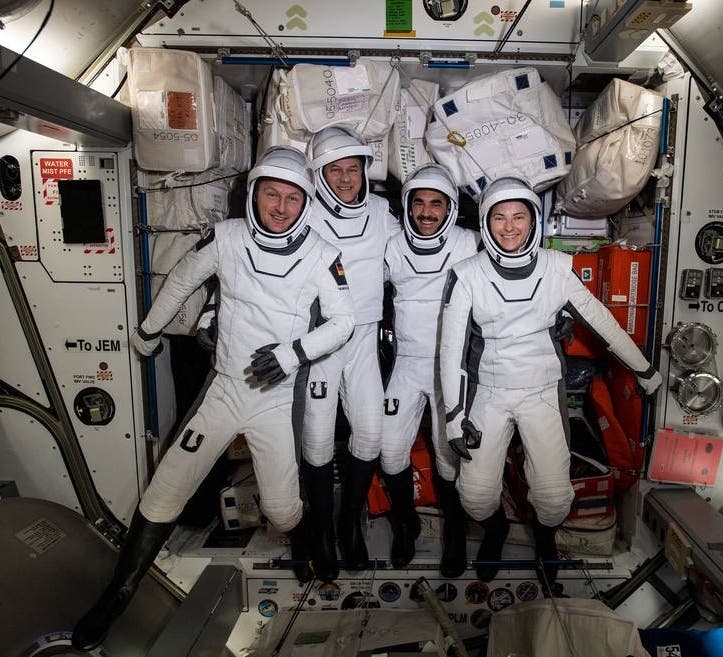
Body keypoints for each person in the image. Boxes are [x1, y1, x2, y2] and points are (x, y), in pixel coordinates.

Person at [72, 146, 354, 650]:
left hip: (275, 397)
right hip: (223, 389)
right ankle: (119, 593)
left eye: (292, 198)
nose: (281, 207)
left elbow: (344, 321)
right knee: (166, 488)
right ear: (254, 194)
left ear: (306, 203)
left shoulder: (322, 254)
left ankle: (307, 536)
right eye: (272, 195)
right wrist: (149, 330)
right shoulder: (226, 237)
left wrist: (293, 354)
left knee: (281, 510)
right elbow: (183, 278)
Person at [438, 177, 661, 589]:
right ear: (486, 222)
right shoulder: (466, 275)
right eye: (499, 217)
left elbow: (601, 321)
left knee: (555, 499)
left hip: (541, 392)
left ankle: (544, 541)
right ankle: (496, 530)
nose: (509, 227)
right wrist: (454, 417)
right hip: (488, 394)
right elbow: (450, 352)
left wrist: (644, 369)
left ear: (533, 220)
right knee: (475, 498)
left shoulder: (557, 268)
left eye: (518, 216)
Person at [300, 126, 400, 580]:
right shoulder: (303, 212)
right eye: (334, 170)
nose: (344, 179)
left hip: (364, 337)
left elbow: (411, 254)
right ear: (319, 174)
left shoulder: (379, 211)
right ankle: (321, 531)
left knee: (372, 435)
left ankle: (349, 521)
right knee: (318, 440)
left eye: (352, 169)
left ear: (364, 170)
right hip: (321, 340)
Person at [381, 163, 479, 574]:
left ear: (450, 208)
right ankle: (407, 525)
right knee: (389, 453)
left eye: (436, 204)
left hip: (449, 369)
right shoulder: (392, 246)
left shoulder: (470, 243)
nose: (426, 212)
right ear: (407, 206)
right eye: (418, 203)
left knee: (447, 458)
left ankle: (455, 533)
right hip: (405, 365)